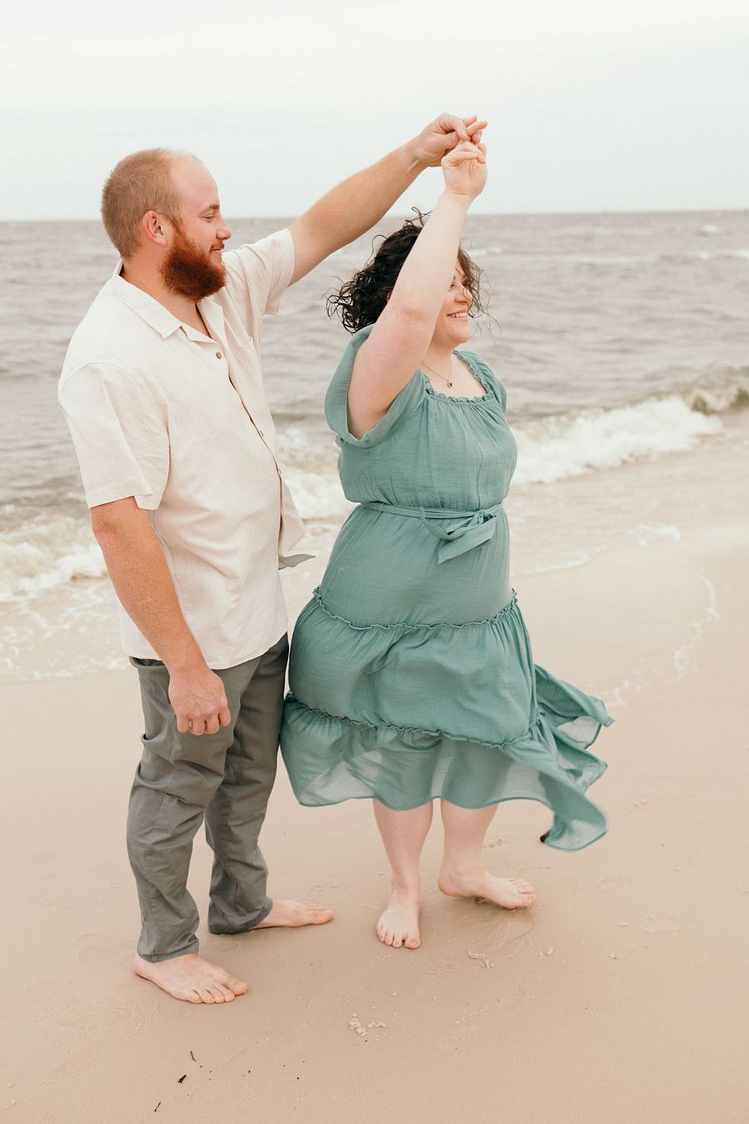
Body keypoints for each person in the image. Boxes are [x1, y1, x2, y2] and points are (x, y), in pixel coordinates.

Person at [58, 113, 483, 1004]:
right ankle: (165, 946)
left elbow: (323, 228)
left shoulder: (217, 292)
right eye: (210, 213)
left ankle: (241, 904)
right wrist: (182, 664)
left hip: (258, 606)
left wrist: (416, 154)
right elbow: (118, 525)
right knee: (177, 788)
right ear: (156, 229)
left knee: (248, 777)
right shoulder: (109, 358)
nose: (226, 227)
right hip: (193, 634)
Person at [281, 136, 613, 950]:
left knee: (486, 729)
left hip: (477, 604)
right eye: (446, 280)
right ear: (404, 294)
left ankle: (463, 867)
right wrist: (456, 196)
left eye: (467, 280)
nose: (459, 294)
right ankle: (404, 887)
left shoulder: (483, 378)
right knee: (401, 745)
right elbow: (413, 314)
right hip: (388, 606)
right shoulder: (378, 370)